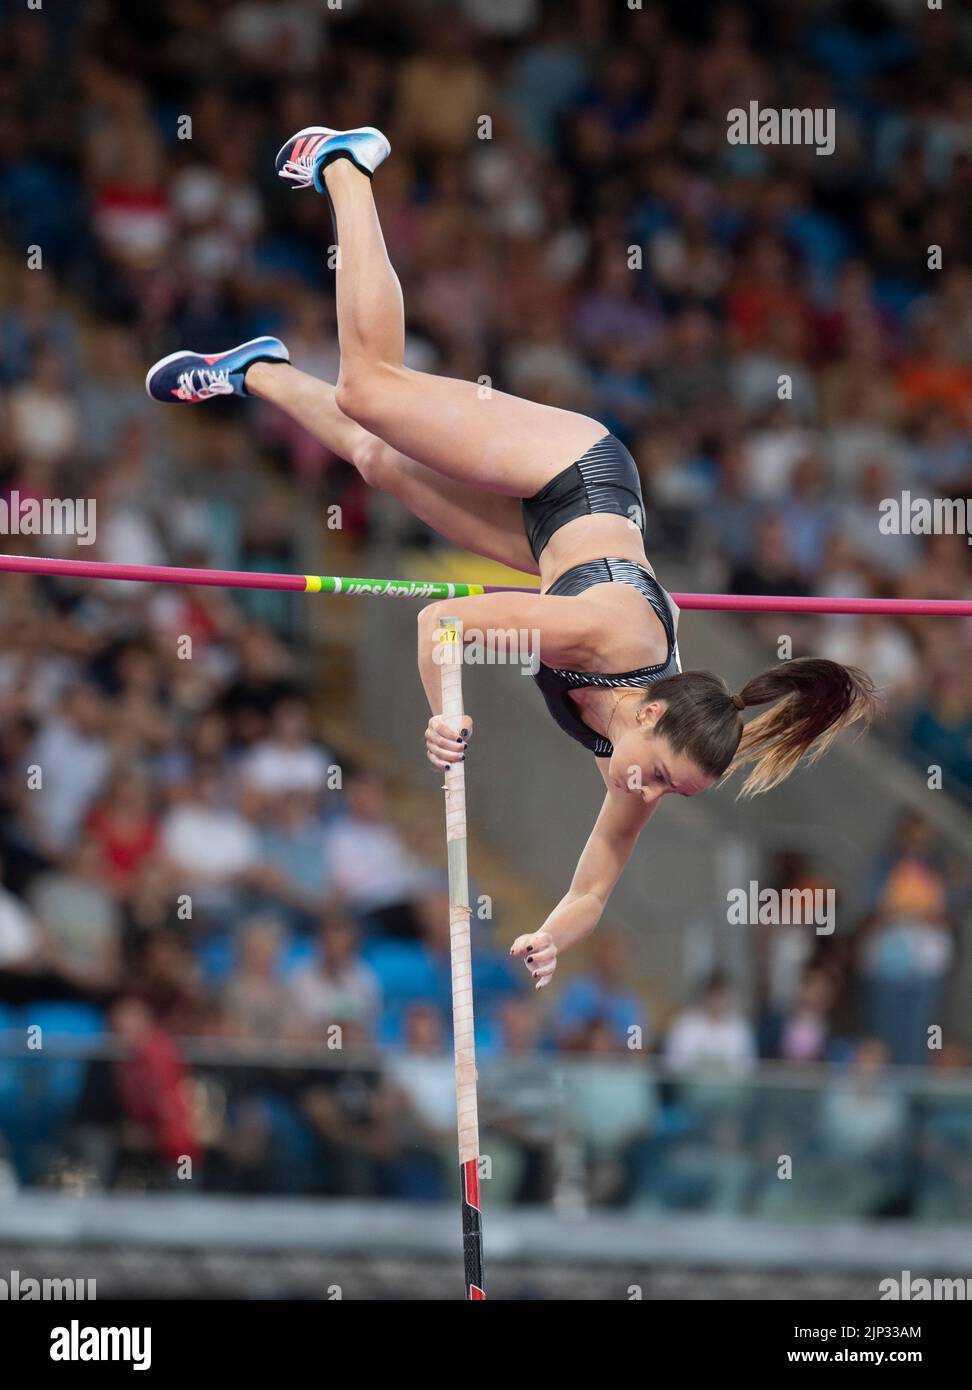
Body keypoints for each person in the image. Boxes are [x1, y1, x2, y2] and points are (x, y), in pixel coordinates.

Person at [146, 124, 877, 994]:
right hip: (575, 475)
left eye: (670, 791)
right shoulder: (600, 639)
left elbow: (595, 881)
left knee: (378, 461)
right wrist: (439, 713)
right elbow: (440, 620)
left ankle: (258, 370)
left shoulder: (650, 758)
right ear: (645, 713)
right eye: (657, 771)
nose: (645, 788)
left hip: (553, 552)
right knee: (371, 391)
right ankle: (346, 164)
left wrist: (554, 934)